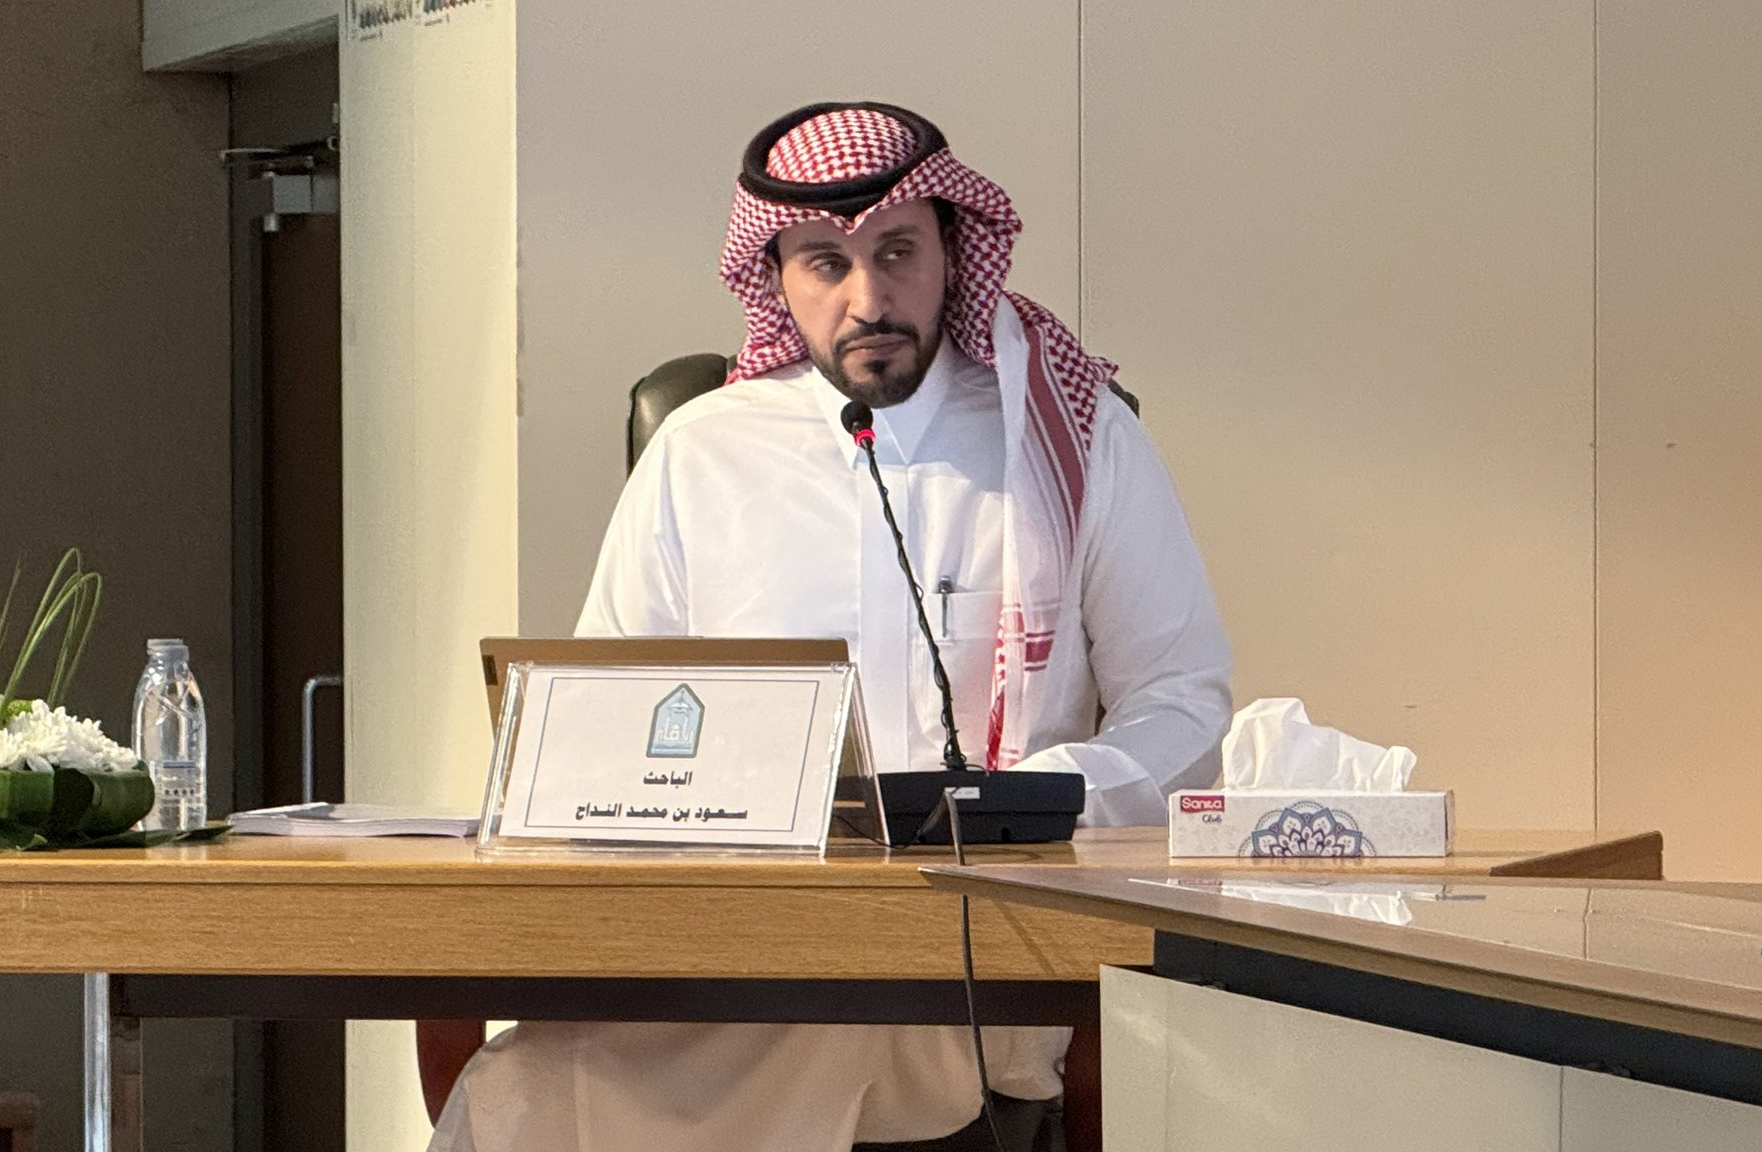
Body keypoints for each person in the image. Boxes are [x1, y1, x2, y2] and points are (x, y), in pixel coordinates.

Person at [429, 101, 1231, 1152]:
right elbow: (608, 727)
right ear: (775, 280)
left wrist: (1034, 803)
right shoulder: (701, 453)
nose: (869, 298)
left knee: (666, 1065)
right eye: (826, 264)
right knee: (529, 1078)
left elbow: (1183, 705)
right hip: (736, 943)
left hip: (984, 947)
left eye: (897, 252)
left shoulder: (1070, 440)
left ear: (952, 252)